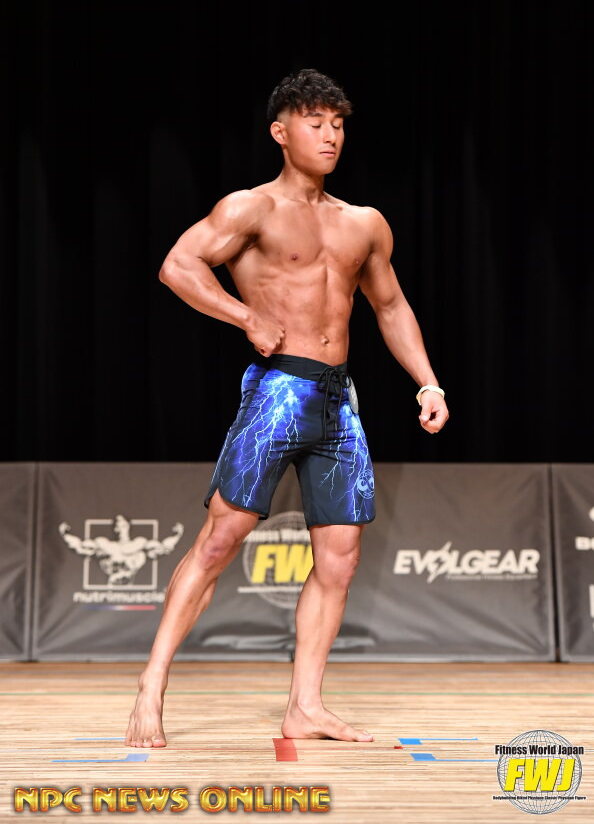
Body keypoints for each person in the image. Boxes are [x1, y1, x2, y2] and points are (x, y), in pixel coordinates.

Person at [125, 68, 449, 749]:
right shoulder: (251, 209)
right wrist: (244, 315)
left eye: (338, 125)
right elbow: (178, 266)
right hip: (278, 391)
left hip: (338, 402)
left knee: (340, 557)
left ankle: (305, 706)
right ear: (280, 132)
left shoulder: (364, 223)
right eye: (315, 122)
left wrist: (427, 383)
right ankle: (152, 684)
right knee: (221, 539)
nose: (330, 136)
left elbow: (390, 305)